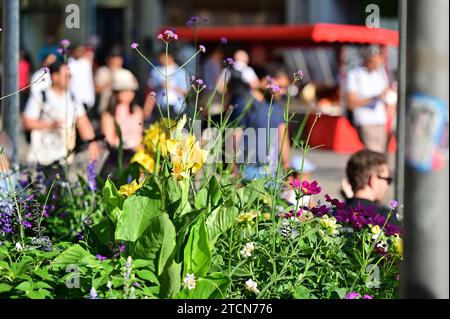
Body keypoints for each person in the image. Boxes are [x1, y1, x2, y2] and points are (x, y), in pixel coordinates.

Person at [22, 60, 100, 180]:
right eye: (66, 76)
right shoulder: (41, 96)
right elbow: (27, 122)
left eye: (70, 76)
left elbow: (83, 122)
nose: (69, 79)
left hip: (64, 157)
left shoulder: (72, 98)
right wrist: (50, 125)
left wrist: (92, 143)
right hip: (40, 157)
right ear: (55, 76)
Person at [346, 46, 391, 153]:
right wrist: (374, 98)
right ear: (366, 60)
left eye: (378, 62)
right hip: (365, 120)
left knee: (381, 153)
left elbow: (387, 93)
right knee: (374, 153)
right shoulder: (355, 74)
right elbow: (351, 102)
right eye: (372, 62)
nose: (375, 65)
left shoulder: (380, 73)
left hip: (380, 120)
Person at [100, 69, 144, 176]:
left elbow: (139, 136)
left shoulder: (137, 111)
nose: (129, 94)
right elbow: (109, 141)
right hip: (118, 159)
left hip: (137, 157)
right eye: (125, 90)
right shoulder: (109, 114)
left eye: (131, 90)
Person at [344, 149, 399, 224]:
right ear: (373, 181)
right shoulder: (388, 219)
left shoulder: (332, 214)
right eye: (387, 180)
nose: (387, 185)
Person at [146, 50, 189, 118]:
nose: (162, 60)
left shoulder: (181, 71)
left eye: (164, 57)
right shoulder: (155, 71)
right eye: (160, 58)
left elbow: (185, 90)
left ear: (170, 57)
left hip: (178, 107)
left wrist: (171, 87)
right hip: (161, 106)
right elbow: (150, 87)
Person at [95, 48, 126, 114]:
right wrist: (110, 80)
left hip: (122, 111)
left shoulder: (126, 73)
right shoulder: (102, 71)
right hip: (105, 109)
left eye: (118, 60)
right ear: (108, 60)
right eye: (114, 60)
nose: (117, 62)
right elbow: (97, 90)